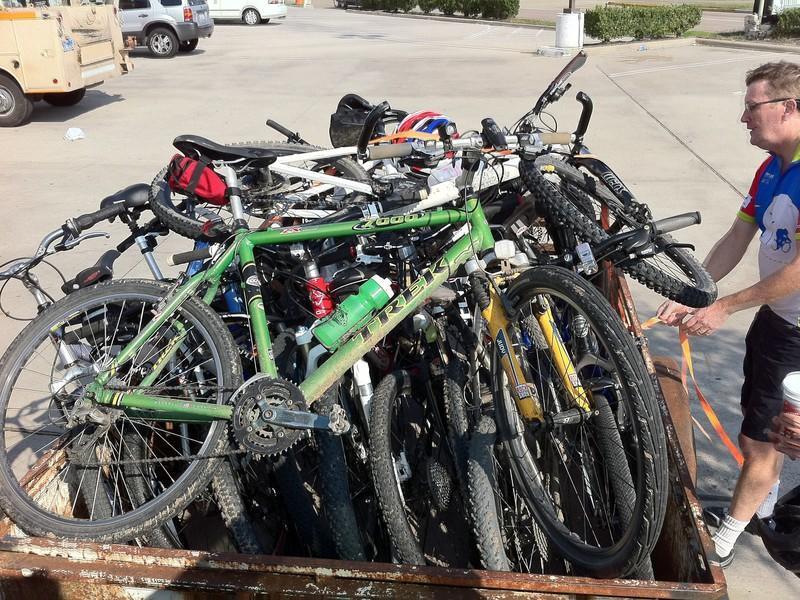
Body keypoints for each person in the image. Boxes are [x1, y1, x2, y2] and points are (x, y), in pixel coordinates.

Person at [658, 61, 800, 568]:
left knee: (765, 441)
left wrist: (725, 307)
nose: (743, 117)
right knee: (753, 432)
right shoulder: (771, 168)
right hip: (777, 322)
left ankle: (727, 537)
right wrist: (699, 291)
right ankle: (763, 502)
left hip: (796, 333)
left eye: (752, 106)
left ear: (789, 107)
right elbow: (739, 235)